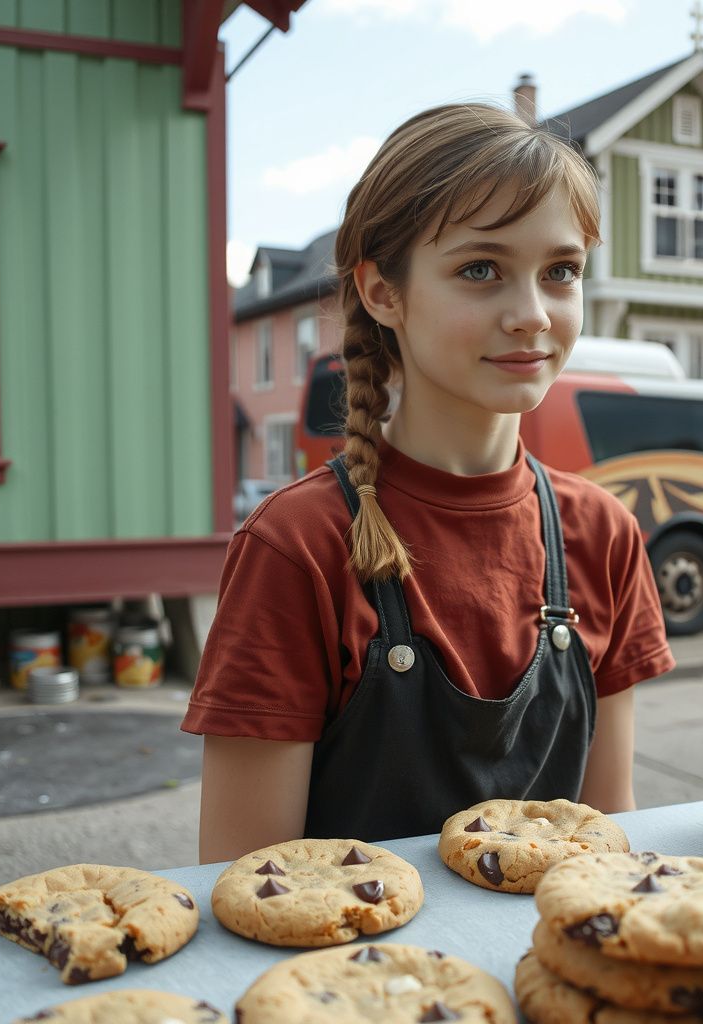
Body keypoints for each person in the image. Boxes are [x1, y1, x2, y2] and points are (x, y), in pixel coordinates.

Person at [182, 103, 676, 862]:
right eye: (480, 270)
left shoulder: (604, 534)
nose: (532, 315)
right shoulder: (296, 546)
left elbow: (611, 831)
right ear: (383, 292)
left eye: (561, 271)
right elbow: (247, 881)